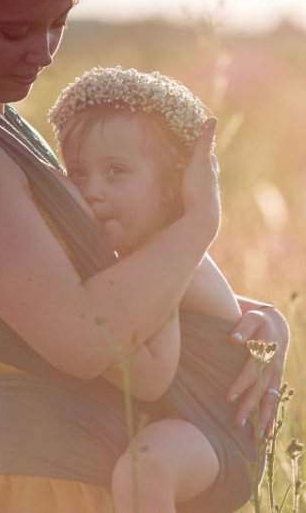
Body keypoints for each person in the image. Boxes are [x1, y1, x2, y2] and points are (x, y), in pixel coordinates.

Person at [0, 0, 289, 511]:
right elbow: (87, 338)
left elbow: (71, 286)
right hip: (38, 487)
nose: (43, 52)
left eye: (57, 24)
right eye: (14, 31)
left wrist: (253, 324)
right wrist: (196, 226)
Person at [50, 66, 267, 512]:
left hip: (215, 431)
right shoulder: (139, 255)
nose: (93, 191)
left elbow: (151, 376)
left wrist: (63, 335)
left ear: (171, 188)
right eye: (78, 174)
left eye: (116, 171)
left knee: (144, 470)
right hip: (185, 426)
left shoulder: (169, 259)